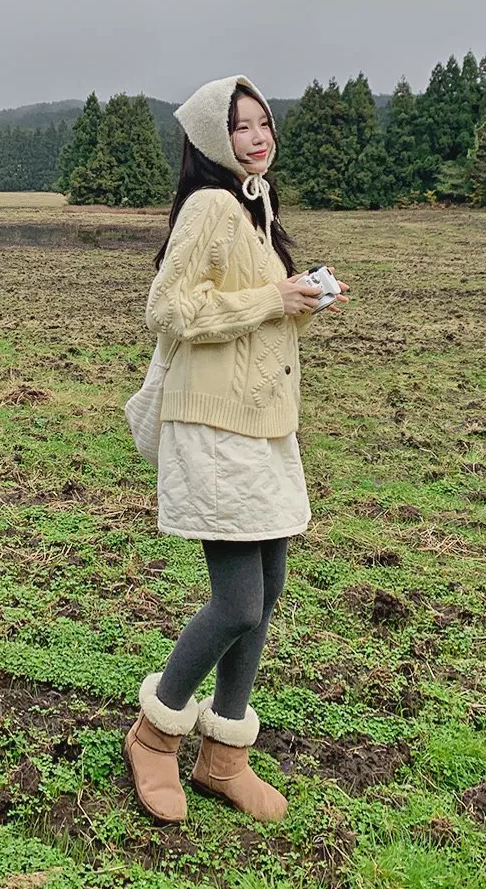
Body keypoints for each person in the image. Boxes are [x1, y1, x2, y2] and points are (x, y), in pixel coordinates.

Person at [123, 75, 349, 824]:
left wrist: (301, 300)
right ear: (213, 140)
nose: (258, 138)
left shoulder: (256, 208)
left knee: (268, 589)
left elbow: (254, 318)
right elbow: (168, 307)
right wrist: (271, 298)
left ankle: (224, 756)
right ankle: (155, 735)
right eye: (242, 127)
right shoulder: (211, 206)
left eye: (264, 124)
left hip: (264, 426)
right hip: (216, 428)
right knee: (238, 601)